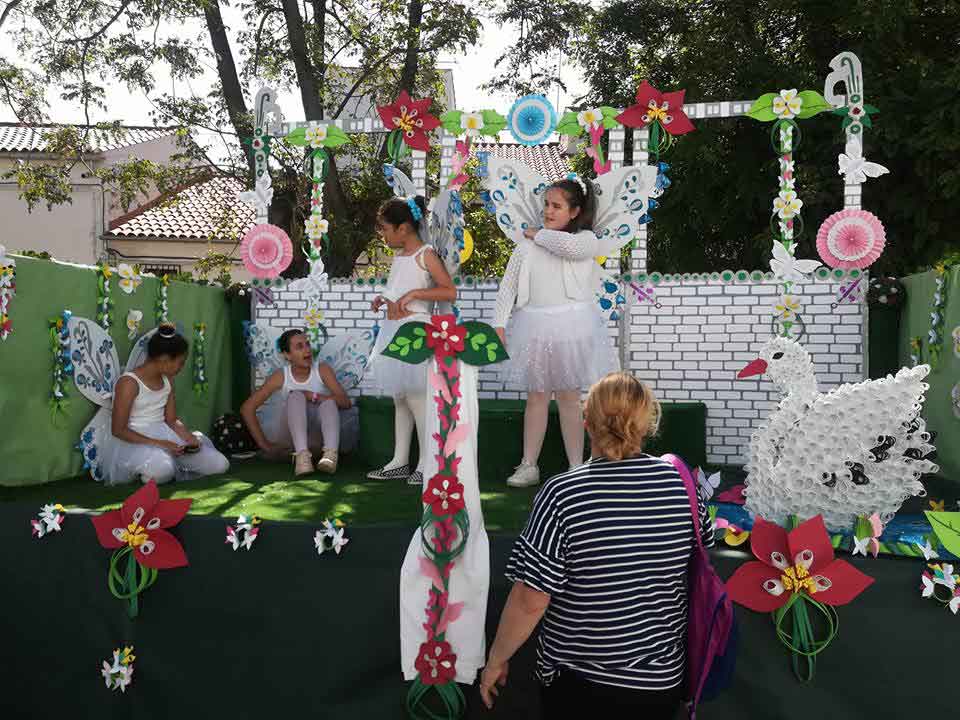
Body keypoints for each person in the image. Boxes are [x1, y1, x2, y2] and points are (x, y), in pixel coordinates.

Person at [479, 372, 714, 717]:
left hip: (579, 685)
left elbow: (530, 600)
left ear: (586, 422)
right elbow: (705, 543)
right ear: (648, 423)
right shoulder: (683, 487)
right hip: (660, 684)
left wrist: (496, 660)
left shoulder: (562, 493)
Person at [492, 176, 618, 488]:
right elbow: (507, 286)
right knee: (536, 396)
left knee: (569, 397)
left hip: (571, 327)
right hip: (533, 326)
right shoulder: (525, 247)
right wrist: (498, 322)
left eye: (557, 206)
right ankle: (528, 465)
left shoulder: (586, 240)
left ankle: (576, 466)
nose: (548, 210)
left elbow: (568, 247)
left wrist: (538, 233)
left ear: (575, 212)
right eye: (547, 205)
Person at [366, 195, 456, 486]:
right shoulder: (399, 257)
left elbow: (448, 291)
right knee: (400, 398)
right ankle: (399, 461)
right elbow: (400, 289)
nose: (383, 234)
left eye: (385, 228)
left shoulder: (425, 254)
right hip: (394, 332)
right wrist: (385, 298)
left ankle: (427, 462)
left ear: (403, 228)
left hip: (416, 331)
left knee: (418, 398)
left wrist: (417, 295)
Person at [102, 323, 229, 484]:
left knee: (220, 464)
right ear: (164, 359)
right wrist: (161, 444)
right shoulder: (129, 383)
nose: (182, 367)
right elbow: (118, 430)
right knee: (164, 470)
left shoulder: (167, 380)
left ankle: (161, 463)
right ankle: (143, 469)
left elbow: (171, 420)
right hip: (134, 441)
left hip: (164, 434)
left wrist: (189, 439)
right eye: (180, 362)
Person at [240, 328, 351, 476]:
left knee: (329, 403)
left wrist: (312, 396)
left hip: (319, 441)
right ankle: (302, 457)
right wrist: (264, 445)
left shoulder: (322, 369)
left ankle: (330, 456)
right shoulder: (281, 376)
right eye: (299, 346)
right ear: (287, 355)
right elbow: (247, 408)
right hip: (291, 442)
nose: (307, 350)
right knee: (296, 396)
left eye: (307, 344)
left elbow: (345, 402)